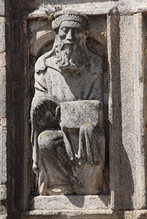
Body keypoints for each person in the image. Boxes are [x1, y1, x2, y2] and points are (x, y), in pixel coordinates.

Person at [31, 10, 105, 195]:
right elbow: (39, 96)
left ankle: (88, 184)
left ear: (85, 35)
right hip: (57, 127)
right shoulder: (44, 65)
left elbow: (100, 104)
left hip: (87, 127)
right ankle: (60, 185)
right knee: (46, 140)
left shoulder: (95, 65)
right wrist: (40, 105)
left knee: (90, 134)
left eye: (76, 32)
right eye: (65, 31)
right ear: (57, 35)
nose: (70, 37)